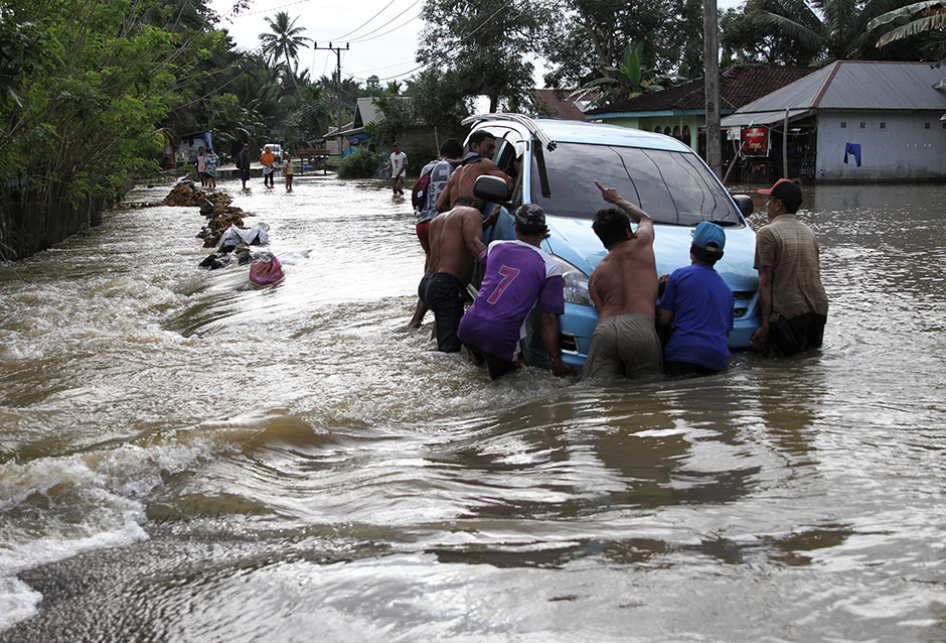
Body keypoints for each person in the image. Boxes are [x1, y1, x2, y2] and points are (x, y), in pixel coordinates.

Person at [457, 204, 576, 380]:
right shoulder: (550, 266)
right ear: (544, 231)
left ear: (516, 228)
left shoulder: (496, 247)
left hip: (468, 327)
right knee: (506, 389)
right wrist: (555, 363)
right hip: (500, 338)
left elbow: (484, 259)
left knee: (476, 376)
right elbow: (548, 319)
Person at [583, 181, 663, 381]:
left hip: (606, 331)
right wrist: (616, 199)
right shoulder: (641, 243)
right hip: (639, 328)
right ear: (629, 232)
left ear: (603, 240)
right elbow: (645, 218)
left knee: (598, 393)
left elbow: (601, 309)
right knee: (648, 396)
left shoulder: (595, 276)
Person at [751, 178, 829, 357]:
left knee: (779, 368)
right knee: (808, 364)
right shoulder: (810, 232)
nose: (766, 205)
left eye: (769, 200)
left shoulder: (768, 233)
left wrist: (765, 324)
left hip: (790, 313)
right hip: (818, 309)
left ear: (779, 205)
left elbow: (766, 281)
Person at [656, 221, 735, 376]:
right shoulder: (727, 291)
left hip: (683, 354)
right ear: (720, 256)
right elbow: (725, 334)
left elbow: (664, 319)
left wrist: (657, 293)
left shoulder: (678, 276)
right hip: (716, 359)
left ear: (691, 248)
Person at [419, 196, 487, 353]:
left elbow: (455, 243)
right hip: (446, 286)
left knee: (440, 339)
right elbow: (474, 245)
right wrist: (500, 266)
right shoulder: (471, 212)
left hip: (428, 283)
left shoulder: (438, 219)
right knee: (449, 354)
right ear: (472, 204)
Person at [408, 138, 464, 329]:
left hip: (422, 223)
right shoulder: (456, 168)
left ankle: (418, 321)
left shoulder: (427, 167)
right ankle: (427, 323)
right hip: (438, 223)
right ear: (458, 156)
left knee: (430, 271)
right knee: (439, 274)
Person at [434, 131, 515, 214]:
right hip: (472, 223)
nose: (492, 152)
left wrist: (457, 213)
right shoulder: (483, 163)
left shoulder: (456, 172)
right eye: (489, 147)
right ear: (474, 146)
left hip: (453, 223)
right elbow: (510, 185)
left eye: (493, 149)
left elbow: (439, 205)